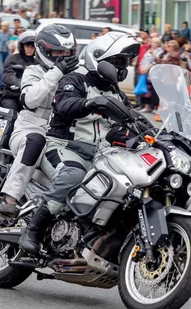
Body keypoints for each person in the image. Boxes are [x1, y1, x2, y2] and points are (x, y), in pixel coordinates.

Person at [18, 33, 140, 254]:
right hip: (64, 147)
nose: (122, 68)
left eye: (125, 63)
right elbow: (65, 105)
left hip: (99, 155)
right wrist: (94, 103)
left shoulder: (115, 92)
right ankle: (33, 230)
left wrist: (158, 133)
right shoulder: (75, 79)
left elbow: (133, 117)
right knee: (73, 177)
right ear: (98, 59)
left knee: (126, 185)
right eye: (118, 62)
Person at [0, 26, 78, 219]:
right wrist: (57, 71)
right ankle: (10, 198)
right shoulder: (33, 71)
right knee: (35, 140)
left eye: (67, 52)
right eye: (58, 52)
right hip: (29, 131)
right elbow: (30, 99)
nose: (63, 56)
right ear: (45, 51)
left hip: (62, 137)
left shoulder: (75, 74)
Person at [0, 20, 11, 85]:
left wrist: (7, 42)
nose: (3, 27)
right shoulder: (0, 33)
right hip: (0, 51)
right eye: (2, 26)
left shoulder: (10, 33)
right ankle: (0, 83)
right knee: (1, 68)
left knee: (6, 68)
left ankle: (5, 83)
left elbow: (11, 41)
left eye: (5, 26)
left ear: (7, 27)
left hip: (7, 52)